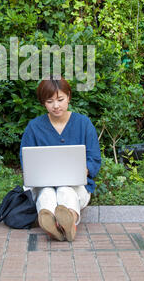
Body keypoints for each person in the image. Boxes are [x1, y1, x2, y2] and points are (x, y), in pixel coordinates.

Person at [19, 76, 101, 242]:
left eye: (60, 100)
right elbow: (26, 160)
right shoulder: (34, 127)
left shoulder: (83, 124)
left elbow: (94, 159)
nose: (56, 106)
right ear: (43, 103)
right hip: (43, 185)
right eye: (50, 101)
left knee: (65, 189)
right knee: (47, 193)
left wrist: (82, 170)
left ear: (69, 97)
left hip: (76, 185)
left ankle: (68, 221)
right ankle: (51, 224)